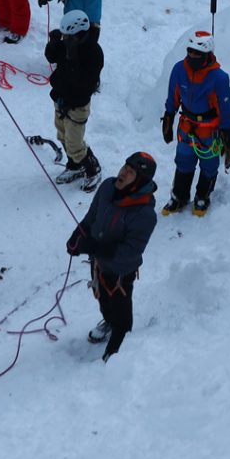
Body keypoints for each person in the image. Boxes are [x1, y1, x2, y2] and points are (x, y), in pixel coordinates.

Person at [66, 152, 158, 361]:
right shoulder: (108, 186)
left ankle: (118, 346)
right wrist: (77, 236)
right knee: (103, 300)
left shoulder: (144, 214)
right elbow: (92, 217)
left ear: (140, 181)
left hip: (120, 273)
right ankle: (108, 322)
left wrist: (96, 248)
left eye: (131, 172)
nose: (123, 173)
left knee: (121, 310)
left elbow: (130, 252)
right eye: (125, 167)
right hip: (98, 263)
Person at [160, 30, 230, 217]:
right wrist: (169, 116)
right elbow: (173, 95)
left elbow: (225, 109)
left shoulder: (219, 78)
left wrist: (229, 137)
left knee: (209, 166)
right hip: (187, 126)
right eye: (190, 51)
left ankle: (203, 196)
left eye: (197, 53)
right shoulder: (179, 69)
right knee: (184, 161)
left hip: (209, 130)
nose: (192, 56)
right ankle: (179, 196)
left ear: (207, 54)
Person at [44, 10, 104, 190]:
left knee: (74, 143)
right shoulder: (68, 43)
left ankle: (93, 169)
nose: (65, 39)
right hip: (61, 98)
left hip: (77, 104)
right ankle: (75, 165)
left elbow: (86, 84)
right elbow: (51, 57)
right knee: (62, 135)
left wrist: (72, 58)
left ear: (80, 34)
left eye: (68, 36)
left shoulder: (93, 53)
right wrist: (54, 44)